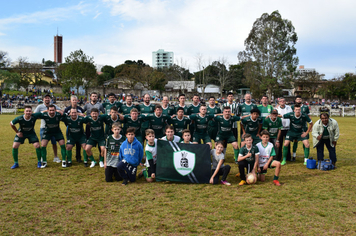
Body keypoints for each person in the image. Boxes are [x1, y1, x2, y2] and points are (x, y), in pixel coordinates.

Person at [34, 94, 61, 163]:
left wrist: (56, 111)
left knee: (54, 143)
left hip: (54, 127)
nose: (47, 99)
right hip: (43, 127)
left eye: (48, 98)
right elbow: (34, 114)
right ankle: (43, 157)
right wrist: (44, 112)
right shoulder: (40, 106)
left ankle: (56, 157)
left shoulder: (54, 106)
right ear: (43, 99)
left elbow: (61, 112)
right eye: (45, 98)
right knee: (43, 144)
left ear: (50, 99)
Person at [64, 95, 84, 163]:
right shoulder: (67, 109)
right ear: (71, 101)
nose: (75, 101)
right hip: (70, 128)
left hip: (79, 127)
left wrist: (79, 114)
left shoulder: (80, 109)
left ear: (77, 101)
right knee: (70, 143)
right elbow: (65, 118)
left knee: (79, 143)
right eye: (73, 100)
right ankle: (68, 159)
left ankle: (78, 157)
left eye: (76, 100)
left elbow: (83, 116)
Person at [291, 95, 311, 160]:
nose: (298, 100)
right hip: (295, 127)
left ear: (301, 100)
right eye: (297, 99)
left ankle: (305, 156)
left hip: (304, 127)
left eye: (300, 99)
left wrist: (310, 127)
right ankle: (294, 155)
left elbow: (309, 116)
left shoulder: (305, 107)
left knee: (304, 141)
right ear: (295, 100)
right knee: (295, 141)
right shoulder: (292, 107)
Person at [276, 98, 293, 162]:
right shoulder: (277, 109)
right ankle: (278, 157)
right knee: (279, 143)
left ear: (285, 101)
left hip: (287, 128)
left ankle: (288, 157)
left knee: (287, 144)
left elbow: (291, 116)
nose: (282, 102)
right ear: (279, 102)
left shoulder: (289, 108)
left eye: (283, 101)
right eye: (281, 101)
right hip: (280, 129)